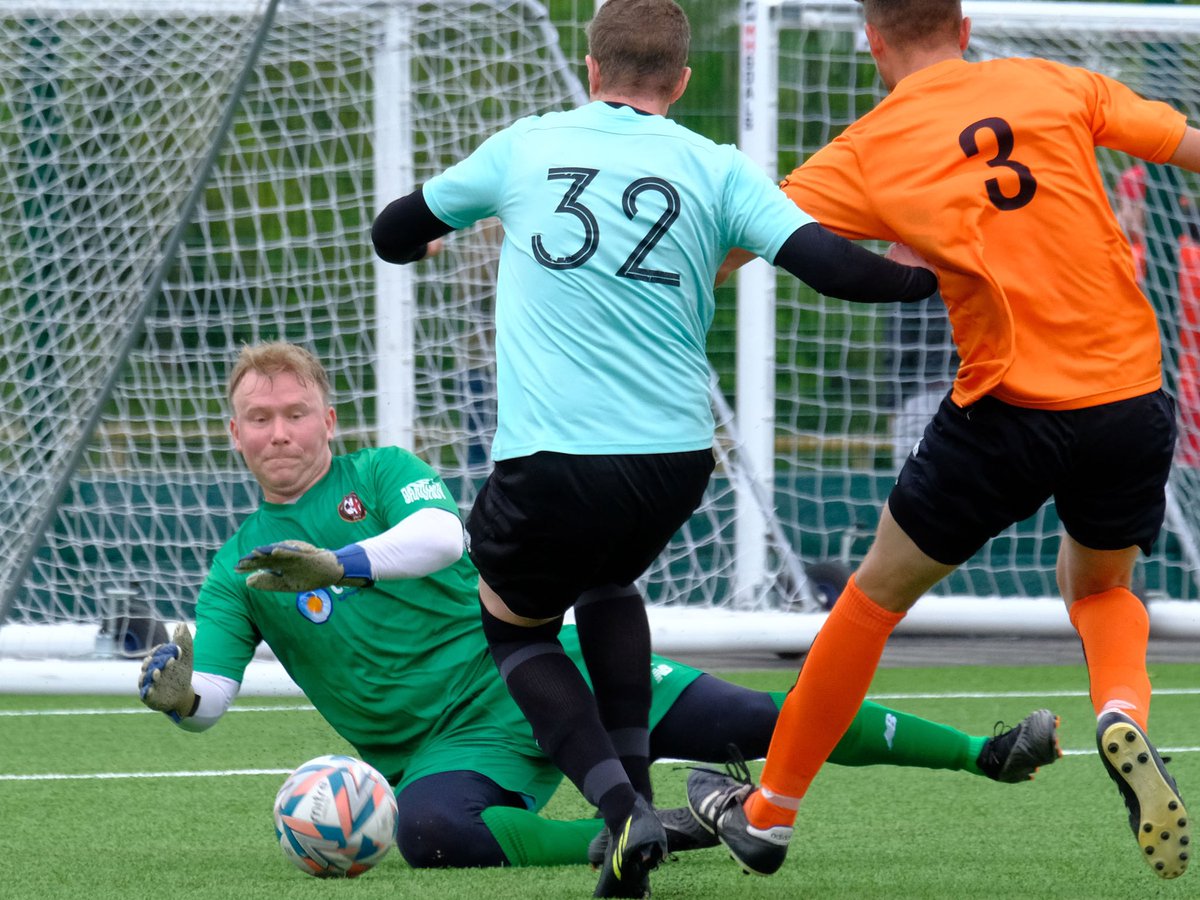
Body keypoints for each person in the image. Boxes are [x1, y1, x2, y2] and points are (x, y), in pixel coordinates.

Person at [370, 1, 938, 894]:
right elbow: (835, 268)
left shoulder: (526, 145)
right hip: (675, 464)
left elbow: (390, 234)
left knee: (513, 627)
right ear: (679, 82)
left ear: (593, 71)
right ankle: (638, 800)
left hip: (552, 457)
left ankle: (618, 807)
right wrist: (941, 277)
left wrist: (441, 232)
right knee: (607, 583)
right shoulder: (713, 165)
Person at [137, 341, 1061, 881]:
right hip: (450, 754)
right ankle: (650, 829)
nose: (280, 432)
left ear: (327, 419)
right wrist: (178, 697)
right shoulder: (238, 572)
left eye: (295, 413)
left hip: (533, 669)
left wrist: (335, 563)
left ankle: (987, 754)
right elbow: (211, 694)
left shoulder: (378, 473)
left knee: (759, 716)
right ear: (235, 433)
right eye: (259, 419)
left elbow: (444, 543)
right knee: (424, 834)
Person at [689, 0, 1200, 883]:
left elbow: (732, 243)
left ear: (872, 42)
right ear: (963, 29)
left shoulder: (868, 146)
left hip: (1008, 408)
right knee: (1100, 585)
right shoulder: (1054, 83)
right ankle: (1120, 707)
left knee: (873, 601)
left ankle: (770, 812)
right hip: (1129, 393)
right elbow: (1185, 142)